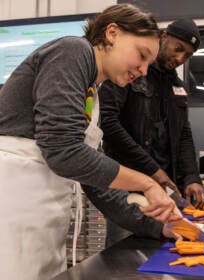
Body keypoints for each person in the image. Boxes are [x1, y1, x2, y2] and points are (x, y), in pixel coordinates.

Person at [0, 4, 181, 280]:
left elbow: (98, 182)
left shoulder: (92, 92)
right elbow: (63, 151)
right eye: (142, 56)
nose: (144, 71)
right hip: (12, 212)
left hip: (41, 224)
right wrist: (147, 183)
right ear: (112, 33)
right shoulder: (73, 51)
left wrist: (158, 228)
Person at [87, 18, 204, 247]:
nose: (180, 58)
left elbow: (183, 134)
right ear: (163, 38)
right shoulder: (129, 72)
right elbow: (108, 123)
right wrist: (151, 170)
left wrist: (192, 177)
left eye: (188, 55)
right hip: (127, 186)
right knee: (126, 255)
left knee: (167, 248)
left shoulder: (178, 87)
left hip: (163, 189)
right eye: (178, 48)